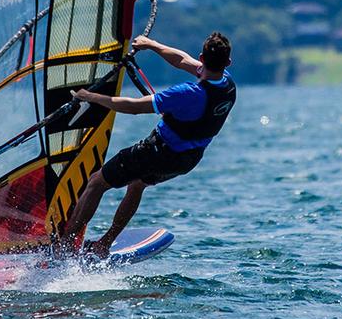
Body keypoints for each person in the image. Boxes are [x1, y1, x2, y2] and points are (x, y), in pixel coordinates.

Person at [61, 31, 237, 257]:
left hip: (157, 151)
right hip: (187, 160)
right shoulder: (227, 84)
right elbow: (181, 60)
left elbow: (133, 106)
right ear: (228, 62)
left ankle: (65, 246)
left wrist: (92, 97)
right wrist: (151, 44)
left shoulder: (188, 93)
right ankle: (104, 244)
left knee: (97, 182)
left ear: (202, 58)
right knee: (137, 185)